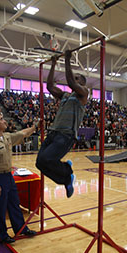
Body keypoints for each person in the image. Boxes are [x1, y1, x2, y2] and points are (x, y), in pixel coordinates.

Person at [36, 50, 88, 198]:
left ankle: (67, 172)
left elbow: (71, 81)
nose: (73, 79)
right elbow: (50, 86)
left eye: (77, 78)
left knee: (46, 159)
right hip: (54, 133)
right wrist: (53, 64)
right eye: (75, 77)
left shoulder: (83, 93)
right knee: (40, 163)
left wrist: (67, 60)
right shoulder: (65, 95)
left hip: (66, 135)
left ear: (82, 83)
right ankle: (66, 176)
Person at [0, 112, 37, 244]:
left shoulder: (5, 137)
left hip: (8, 176)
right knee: (0, 208)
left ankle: (20, 228)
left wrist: (35, 127)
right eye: (1, 119)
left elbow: (22, 133)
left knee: (14, 203)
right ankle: (1, 235)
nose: (5, 121)